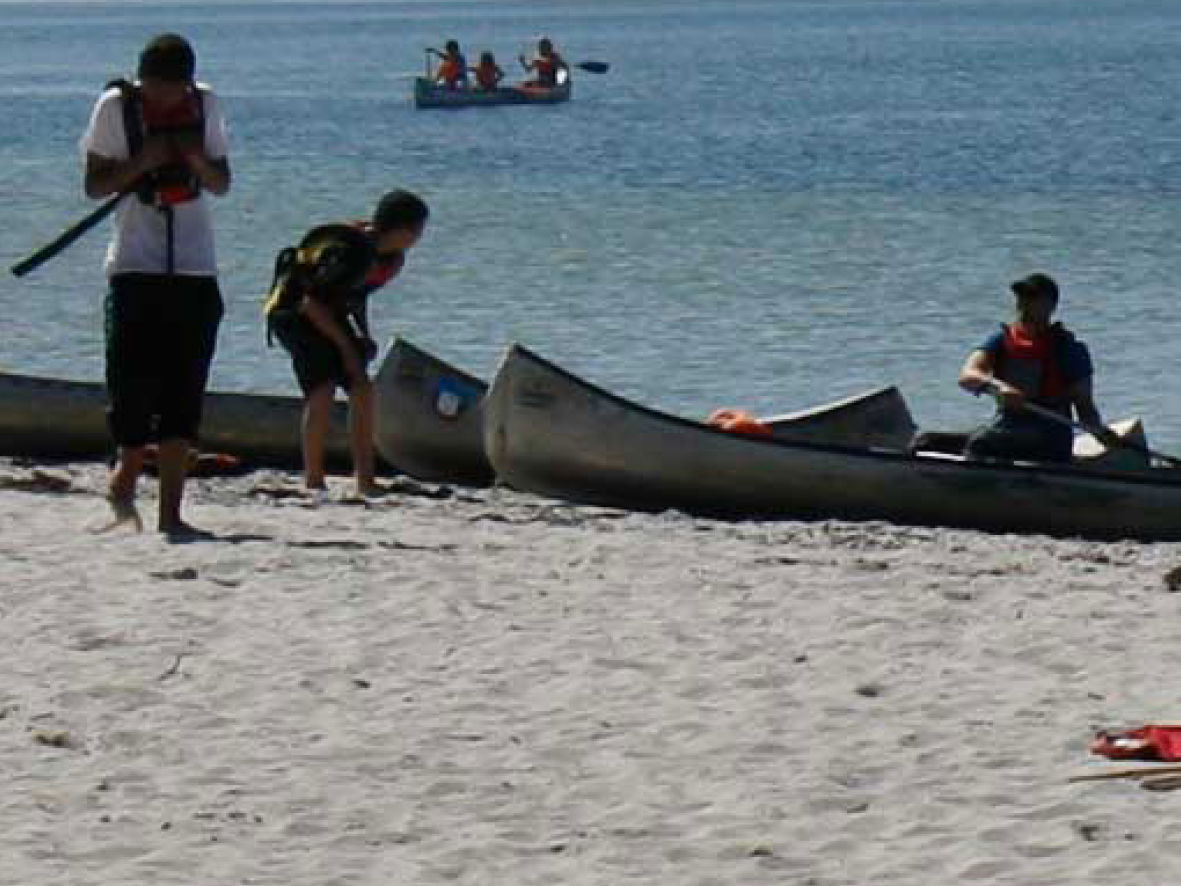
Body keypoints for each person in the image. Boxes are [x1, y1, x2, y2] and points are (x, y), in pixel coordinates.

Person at [80, 33, 231, 535]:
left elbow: (221, 183)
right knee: (131, 385)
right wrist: (143, 162)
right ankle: (124, 475)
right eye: (154, 92)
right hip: (134, 263)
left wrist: (192, 157)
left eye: (173, 93)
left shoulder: (206, 104)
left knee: (183, 391)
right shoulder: (115, 107)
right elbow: (94, 185)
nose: (163, 101)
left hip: (194, 264)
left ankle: (171, 514)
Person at [264, 190, 429, 496]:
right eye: (418, 231)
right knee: (323, 389)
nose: (419, 238)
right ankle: (314, 480)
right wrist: (346, 349)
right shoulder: (353, 251)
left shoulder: (391, 258)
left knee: (362, 389)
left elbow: (354, 296)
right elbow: (312, 303)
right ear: (405, 230)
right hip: (293, 311)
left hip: (326, 310)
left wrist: (362, 335)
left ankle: (365, 480)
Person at [958, 272, 1115, 463]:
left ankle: (984, 488)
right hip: (1006, 427)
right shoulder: (1000, 340)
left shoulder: (1069, 349)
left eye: (1031, 298)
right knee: (926, 441)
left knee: (980, 443)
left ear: (1050, 306)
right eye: (1021, 297)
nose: (1023, 304)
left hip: (1050, 438)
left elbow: (1085, 408)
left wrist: (1101, 434)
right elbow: (967, 376)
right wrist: (997, 387)